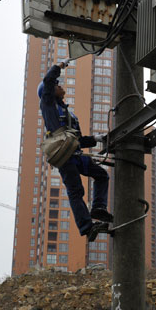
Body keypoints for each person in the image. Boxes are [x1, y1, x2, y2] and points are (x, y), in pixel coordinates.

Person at [38, 60, 114, 242]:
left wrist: (96, 139)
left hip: (76, 155)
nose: (60, 86)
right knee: (76, 190)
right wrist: (59, 66)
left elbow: (77, 140)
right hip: (64, 157)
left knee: (102, 175)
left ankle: (98, 208)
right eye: (58, 85)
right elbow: (48, 80)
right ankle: (87, 227)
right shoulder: (48, 105)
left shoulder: (68, 113)